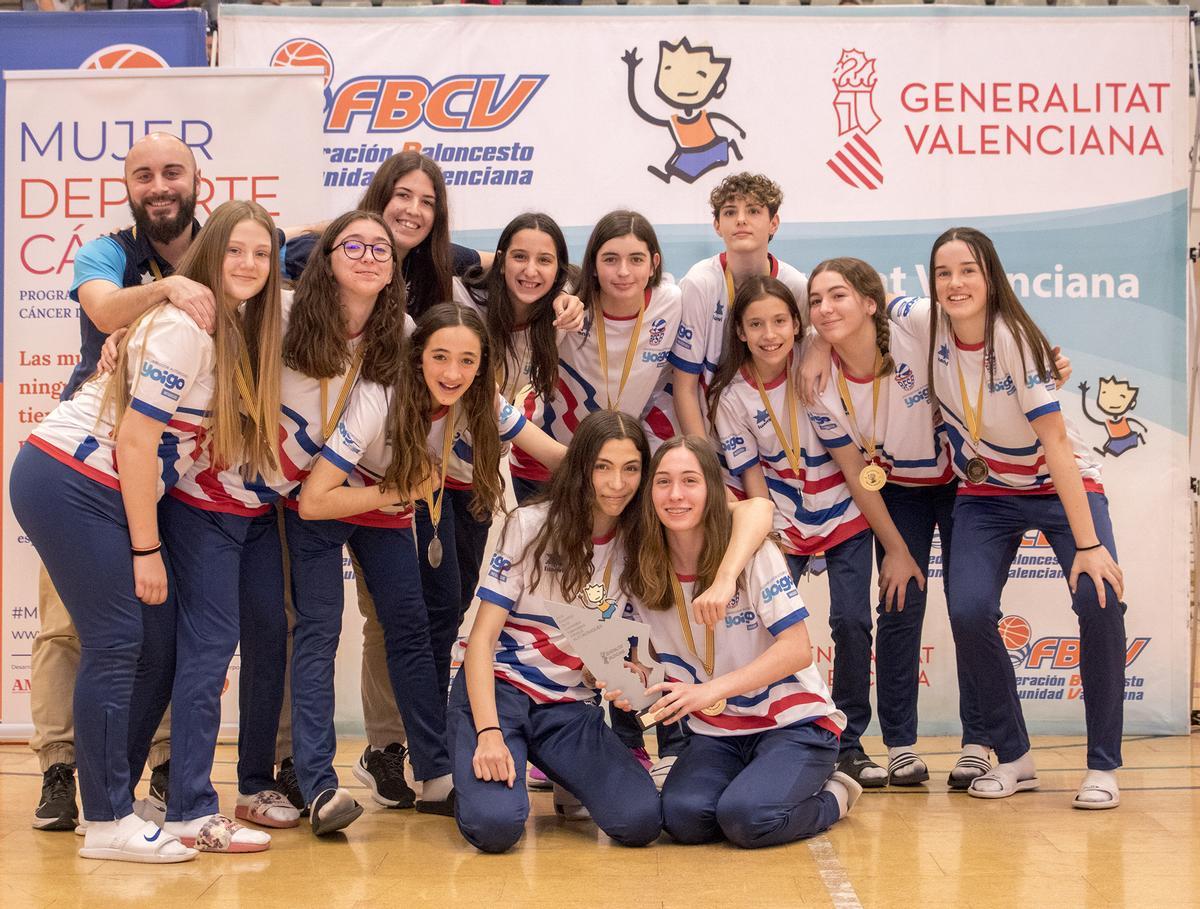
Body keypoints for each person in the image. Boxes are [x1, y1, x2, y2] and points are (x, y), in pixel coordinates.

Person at [9, 199, 278, 863]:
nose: (247, 263)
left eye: (261, 253)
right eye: (235, 249)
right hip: (72, 480)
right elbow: (134, 440)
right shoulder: (183, 326)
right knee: (119, 639)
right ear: (209, 253)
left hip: (96, 484)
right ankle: (104, 822)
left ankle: (117, 798)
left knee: (155, 641)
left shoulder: (232, 327)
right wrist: (147, 548)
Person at [295, 303, 566, 833]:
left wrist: (635, 476)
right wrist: (393, 491)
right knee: (317, 634)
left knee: (413, 629)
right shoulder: (381, 396)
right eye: (440, 357)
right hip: (332, 508)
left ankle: (434, 771)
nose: (452, 373)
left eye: (467, 361)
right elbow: (312, 501)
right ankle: (315, 782)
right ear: (416, 355)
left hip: (386, 507)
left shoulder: (479, 399)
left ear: (482, 366)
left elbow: (557, 454)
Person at [28, 131, 215, 832]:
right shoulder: (108, 249)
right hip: (99, 456)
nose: (159, 185)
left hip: (181, 467)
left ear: (198, 179)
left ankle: (159, 760)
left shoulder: (229, 242)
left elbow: (321, 239)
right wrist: (165, 292)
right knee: (69, 625)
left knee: (163, 625)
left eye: (173, 171)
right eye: (144, 175)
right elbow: (104, 309)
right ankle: (57, 764)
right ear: (128, 188)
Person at [916, 227, 1126, 808]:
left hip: (1060, 484)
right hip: (987, 493)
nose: (955, 283)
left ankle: (1104, 765)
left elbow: (1056, 442)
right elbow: (854, 308)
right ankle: (1015, 756)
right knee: (968, 608)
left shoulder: (1016, 340)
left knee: (1097, 597)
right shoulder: (920, 323)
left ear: (991, 277)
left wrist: (1087, 545)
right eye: (943, 273)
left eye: (968, 271)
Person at [610, 436, 859, 849]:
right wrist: (631, 683)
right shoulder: (641, 568)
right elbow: (644, 659)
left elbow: (797, 650)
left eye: (690, 481)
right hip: (717, 732)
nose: (675, 495)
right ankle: (760, 785)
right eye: (663, 482)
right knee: (683, 820)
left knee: (746, 819)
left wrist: (708, 691)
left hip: (793, 725)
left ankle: (835, 796)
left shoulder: (752, 553)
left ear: (712, 491)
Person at [708, 276, 892, 787]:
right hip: (781, 523)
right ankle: (769, 730)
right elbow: (750, 480)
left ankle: (849, 743)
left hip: (843, 514)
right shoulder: (731, 396)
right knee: (761, 630)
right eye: (756, 324)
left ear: (798, 324)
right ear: (740, 333)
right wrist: (765, 536)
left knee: (853, 623)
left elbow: (852, 461)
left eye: (780, 321)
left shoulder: (821, 369)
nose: (770, 334)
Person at [667, 172, 807, 492]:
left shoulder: (794, 284)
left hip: (777, 444)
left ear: (774, 223)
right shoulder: (700, 283)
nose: (741, 220)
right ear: (717, 225)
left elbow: (810, 358)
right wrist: (703, 468)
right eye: (730, 212)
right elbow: (685, 387)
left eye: (754, 211)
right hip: (711, 443)